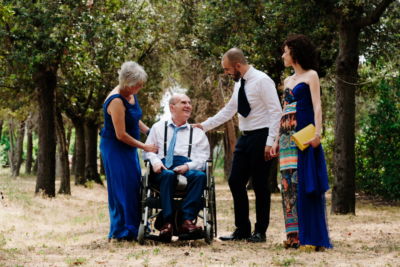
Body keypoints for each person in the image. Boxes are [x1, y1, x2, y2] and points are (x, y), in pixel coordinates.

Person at [194, 48, 282, 242]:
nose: (226, 73)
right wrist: (204, 126)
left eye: (227, 69)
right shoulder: (240, 83)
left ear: (238, 66)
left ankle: (260, 231)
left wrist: (270, 142)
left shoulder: (262, 80)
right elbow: (229, 110)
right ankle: (242, 229)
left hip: (262, 136)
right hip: (245, 137)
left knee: (260, 185)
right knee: (235, 181)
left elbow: (276, 111)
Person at [270, 34, 332, 250]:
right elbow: (283, 111)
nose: (283, 55)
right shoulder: (287, 81)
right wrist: (276, 140)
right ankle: (293, 235)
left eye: (285, 51)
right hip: (286, 139)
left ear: (295, 53)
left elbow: (317, 106)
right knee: (288, 185)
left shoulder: (311, 75)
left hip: (304, 136)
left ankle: (311, 237)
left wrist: (318, 133)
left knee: (304, 183)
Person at [100, 61, 157, 241]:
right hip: (116, 148)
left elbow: (133, 119)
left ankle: (136, 226)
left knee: (134, 185)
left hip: (130, 147)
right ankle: (123, 230)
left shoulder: (131, 94)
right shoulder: (116, 100)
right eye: (137, 84)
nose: (140, 87)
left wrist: (150, 132)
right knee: (122, 188)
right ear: (127, 83)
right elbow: (121, 134)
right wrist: (145, 146)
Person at [144, 93, 210, 242]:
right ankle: (167, 222)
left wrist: (187, 166)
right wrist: (155, 162)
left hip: (187, 166)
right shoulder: (158, 127)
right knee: (168, 175)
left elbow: (204, 157)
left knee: (200, 176)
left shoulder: (197, 132)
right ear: (172, 107)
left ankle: (187, 221)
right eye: (183, 102)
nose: (188, 106)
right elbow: (147, 151)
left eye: (189, 102)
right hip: (162, 168)